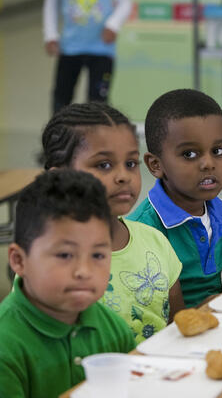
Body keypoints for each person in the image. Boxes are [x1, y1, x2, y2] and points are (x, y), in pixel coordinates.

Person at [41, 102, 184, 342]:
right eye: (104, 165)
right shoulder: (45, 261)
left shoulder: (155, 241)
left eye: (130, 164)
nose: (123, 177)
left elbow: (178, 326)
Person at [0, 169, 136, 398]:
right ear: (19, 260)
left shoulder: (115, 330)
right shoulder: (6, 347)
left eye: (98, 255)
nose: (84, 271)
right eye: (64, 255)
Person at [128, 89, 222, 307]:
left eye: (218, 151)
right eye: (189, 154)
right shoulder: (140, 233)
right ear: (156, 165)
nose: (208, 163)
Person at [43, 0, 132, 114]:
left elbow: (125, 2)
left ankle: (96, 132)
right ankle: (58, 132)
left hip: (102, 50)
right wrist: (50, 35)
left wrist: (113, 25)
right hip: (70, 48)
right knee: (61, 98)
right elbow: (51, 5)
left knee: (98, 101)